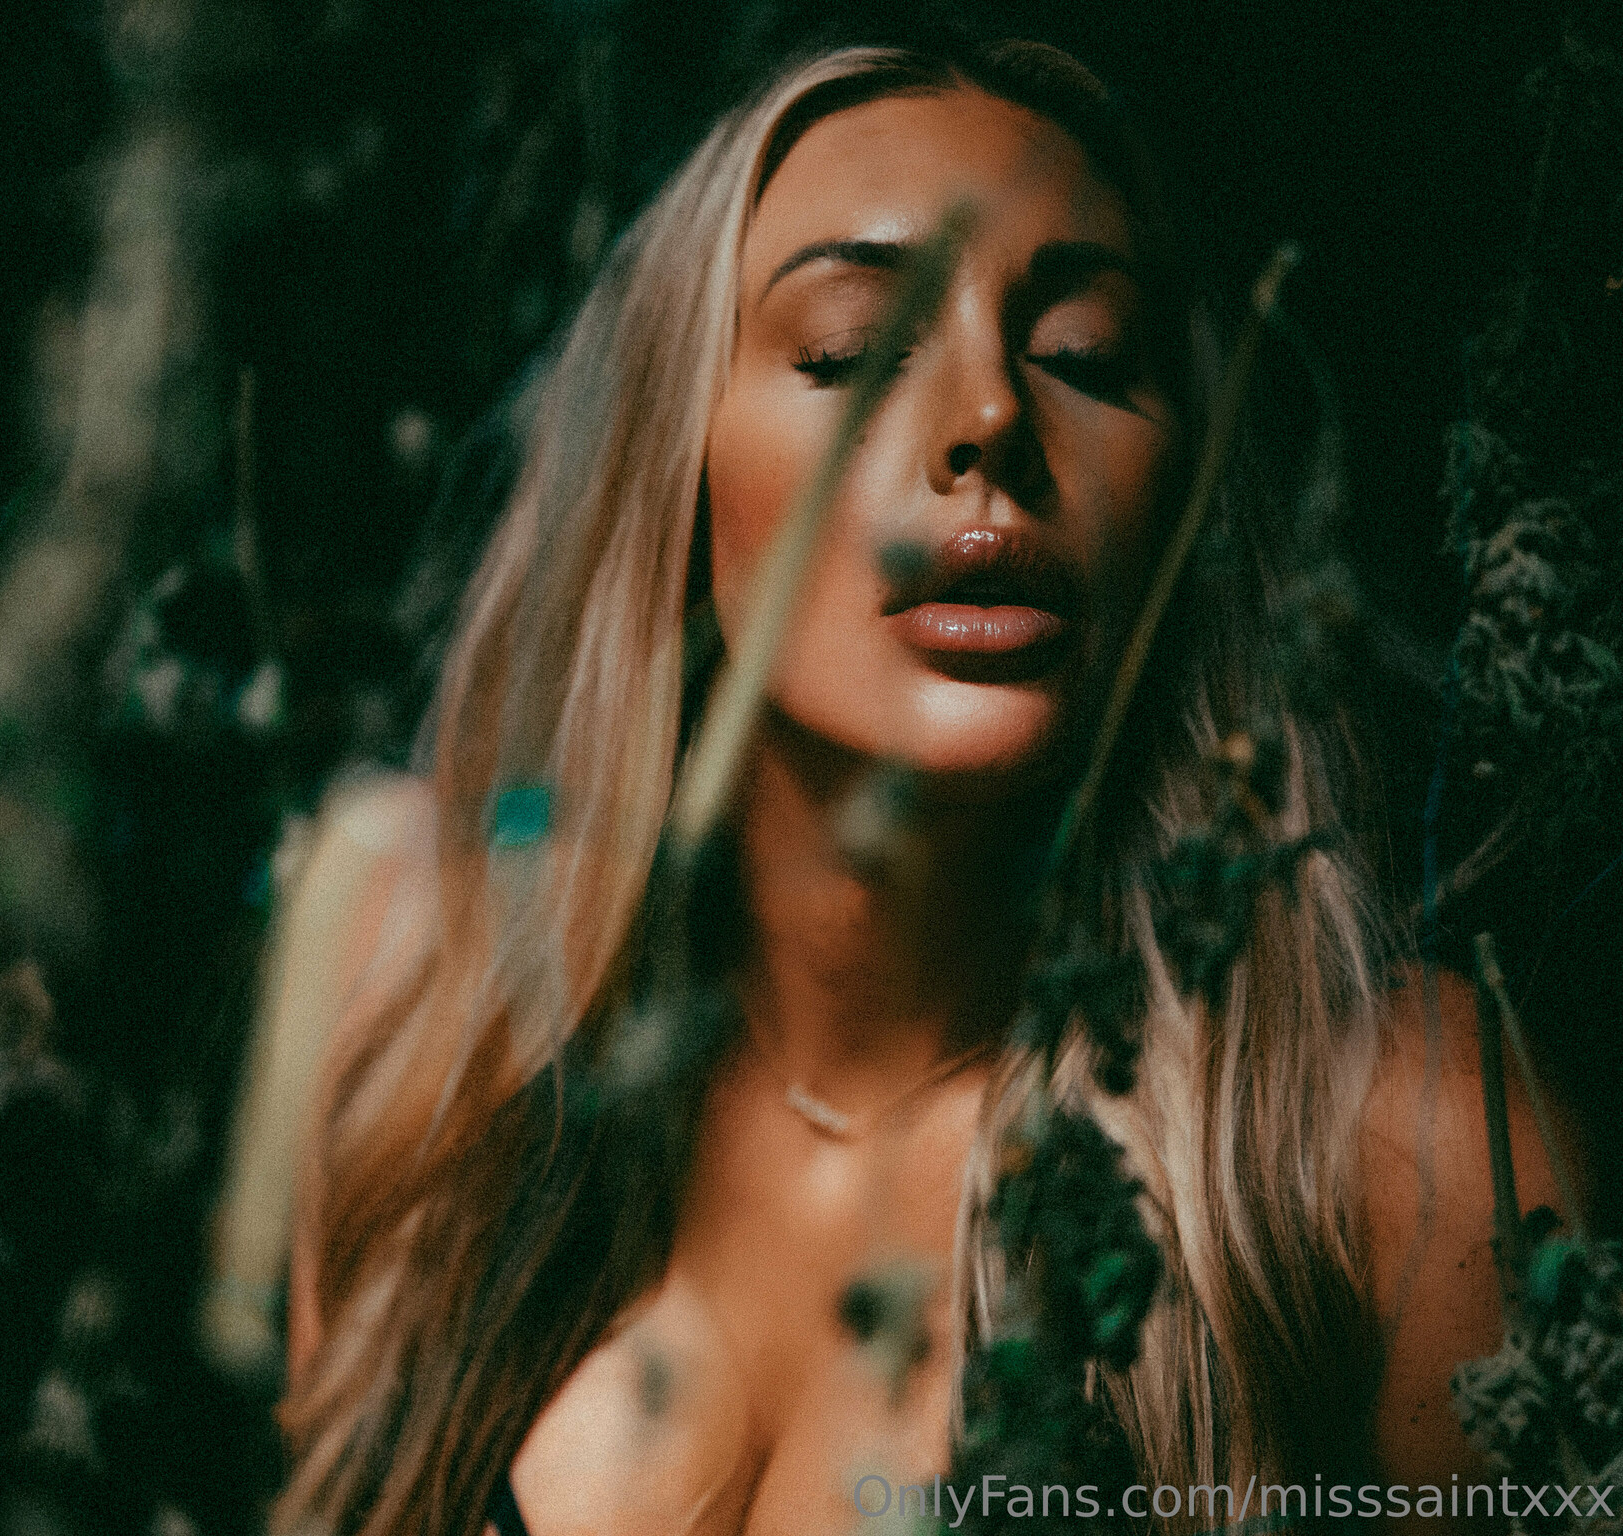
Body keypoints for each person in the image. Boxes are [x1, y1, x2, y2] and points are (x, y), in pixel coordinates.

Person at [266, 36, 1583, 1536]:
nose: (991, 419)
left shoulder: (1392, 1149)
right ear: (673, 472)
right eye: (851, 349)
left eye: (1085, 356)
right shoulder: (448, 1086)